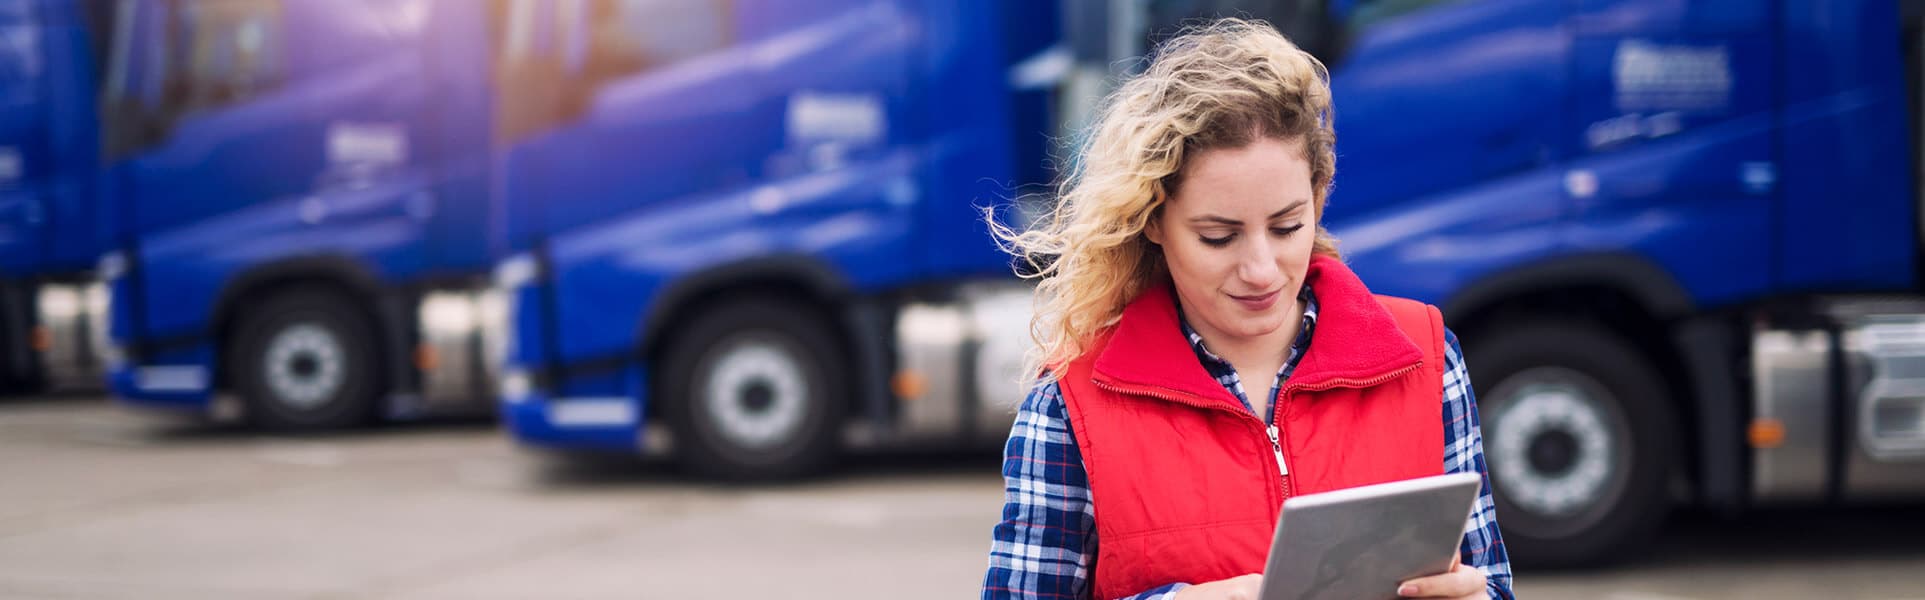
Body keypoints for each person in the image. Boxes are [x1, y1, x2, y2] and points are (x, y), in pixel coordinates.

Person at [981, 19, 1514, 600]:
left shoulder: (1428, 358)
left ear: (1317, 197)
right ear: (1154, 221)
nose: (1261, 269)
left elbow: (1491, 583)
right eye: (1219, 236)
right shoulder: (1069, 403)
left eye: (1287, 227)